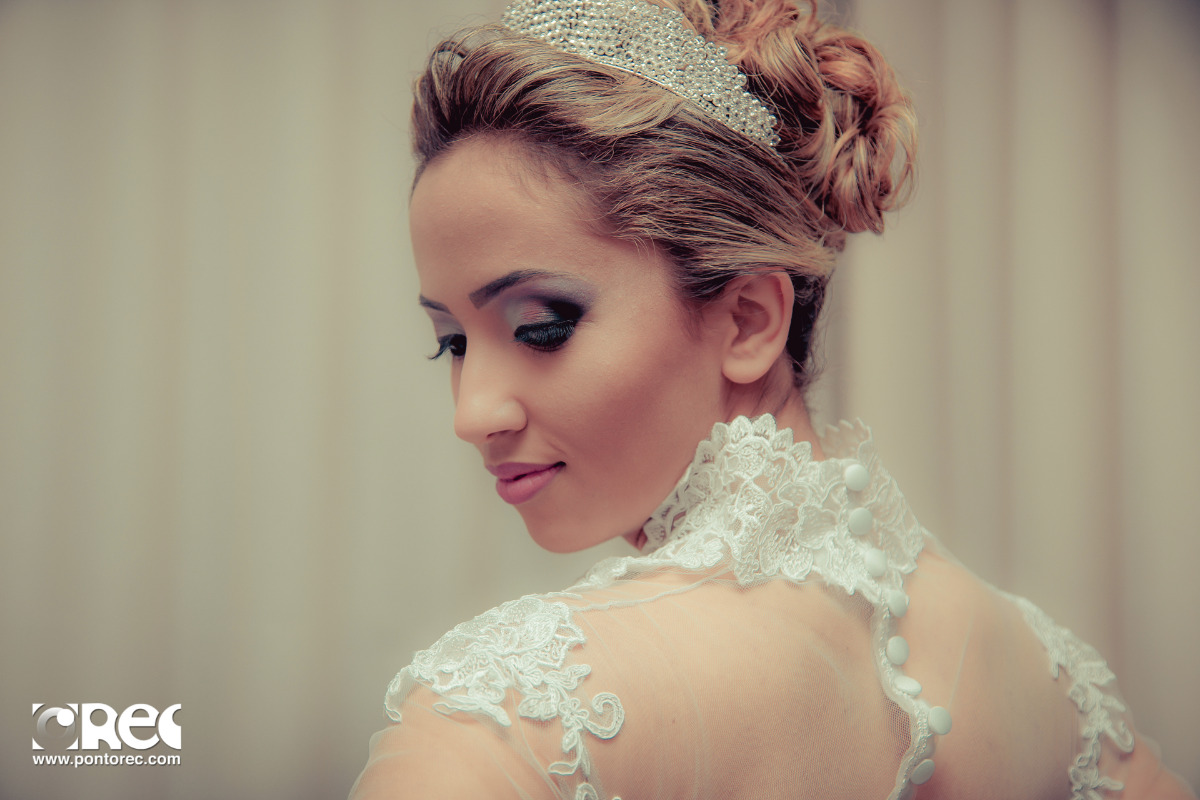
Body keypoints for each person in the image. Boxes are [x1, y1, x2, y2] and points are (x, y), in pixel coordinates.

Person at [349, 0, 1197, 797]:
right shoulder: (1045, 675)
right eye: (453, 343)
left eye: (541, 327)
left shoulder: (506, 715)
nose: (472, 415)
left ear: (749, 320)